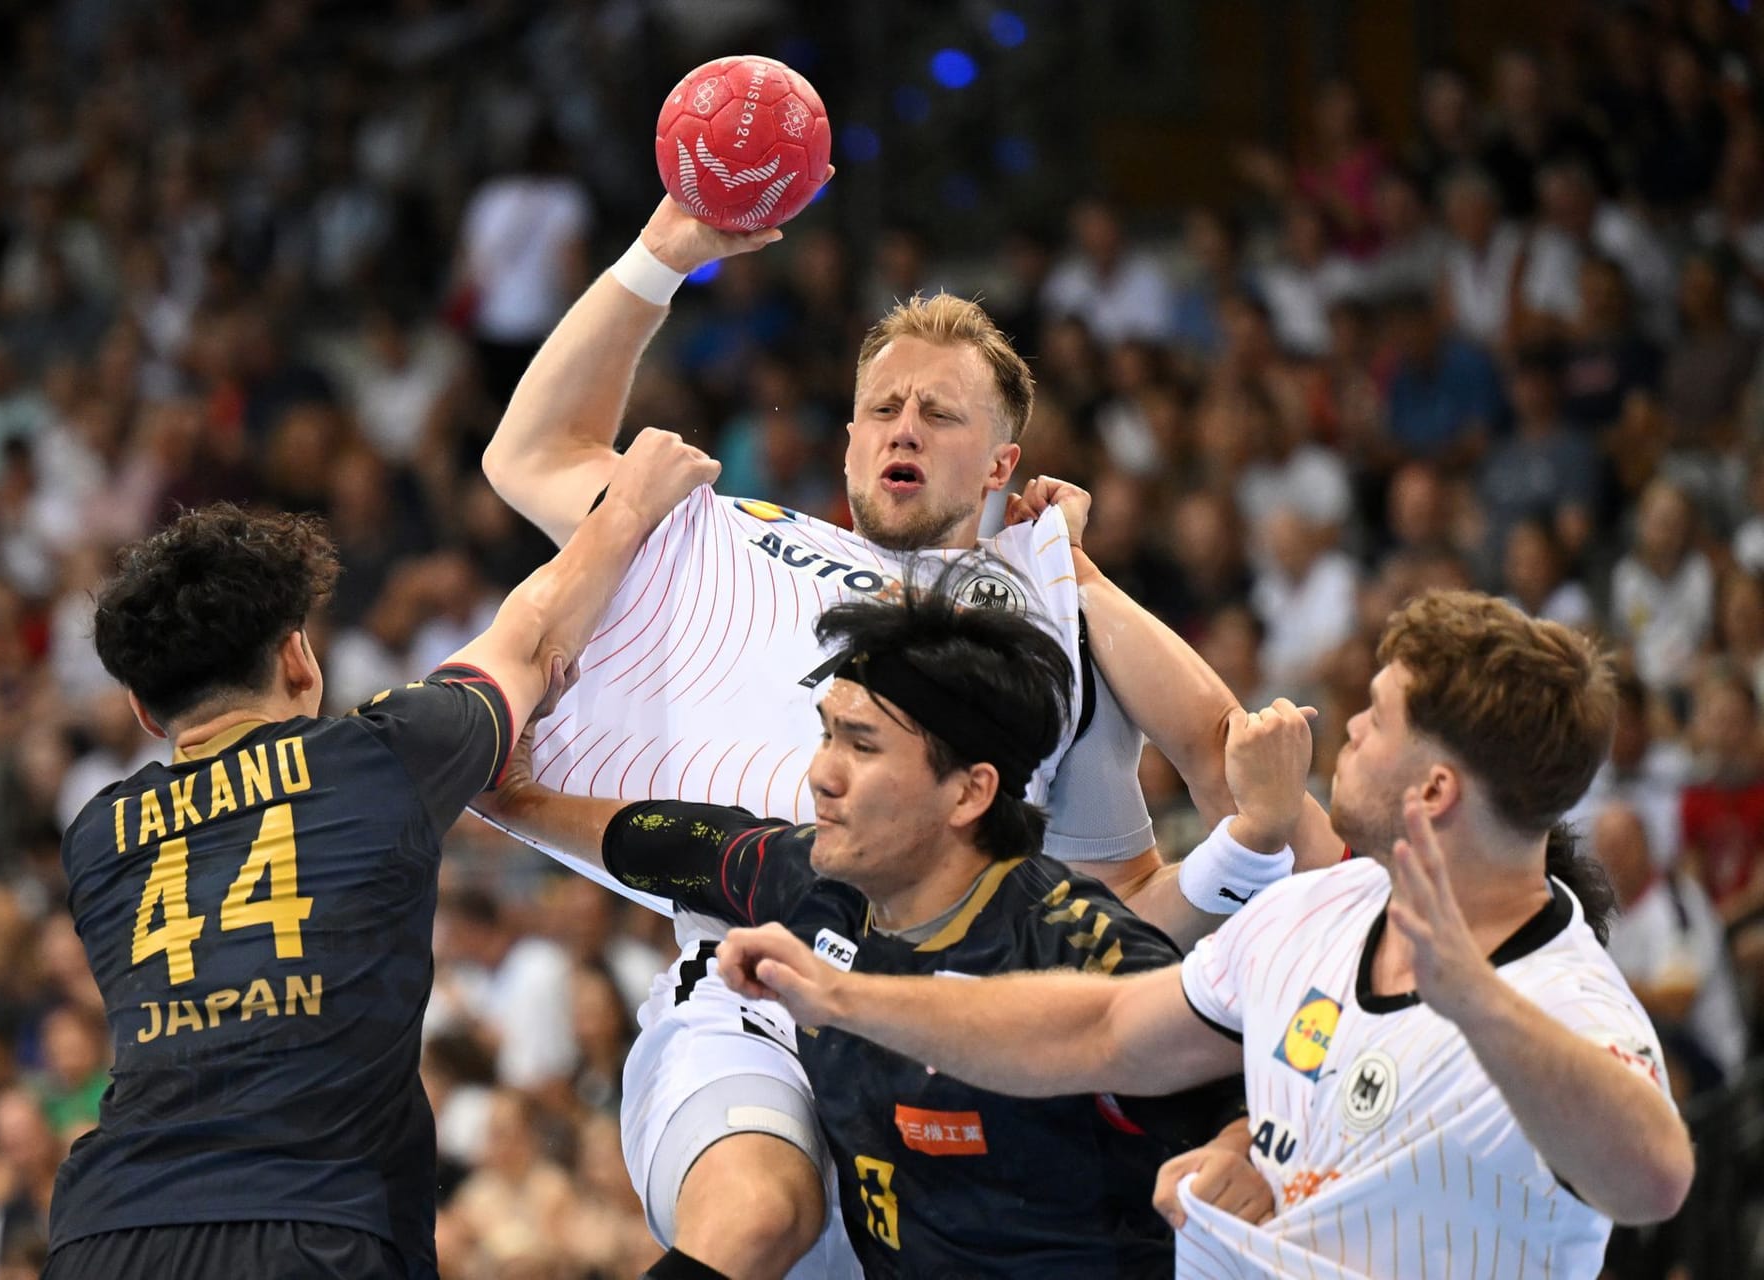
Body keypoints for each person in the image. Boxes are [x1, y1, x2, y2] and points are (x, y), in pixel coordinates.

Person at [481, 198, 1332, 1277]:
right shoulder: (727, 535)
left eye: (940, 412)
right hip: (754, 980)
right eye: (882, 406)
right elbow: (529, 452)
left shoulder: (1045, 630)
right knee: (756, 1215)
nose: (904, 426)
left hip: (960, 1035)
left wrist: (1071, 570)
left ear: (1000, 462)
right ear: (845, 443)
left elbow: (1148, 856)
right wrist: (666, 255)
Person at [718, 591, 1696, 1277]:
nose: (1343, 726)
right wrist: (845, 994)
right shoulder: (1320, 911)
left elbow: (1652, 1177)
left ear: (1434, 790)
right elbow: (1095, 1031)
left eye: (1376, 718)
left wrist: (1477, 1002)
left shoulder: (1565, 997)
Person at [474, 563, 1292, 1277]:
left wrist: (1243, 1148)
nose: (821, 775)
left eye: (861, 747)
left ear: (970, 792)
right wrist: (514, 800)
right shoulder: (819, 885)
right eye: (826, 733)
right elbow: (679, 845)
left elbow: (1263, 1088)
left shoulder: (1078, 947)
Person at [41, 427, 719, 1280]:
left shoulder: (97, 838)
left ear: (143, 710)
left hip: (106, 1234)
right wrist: (632, 502)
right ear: (297, 654)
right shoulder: (381, 758)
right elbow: (532, 631)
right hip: (315, 1225)